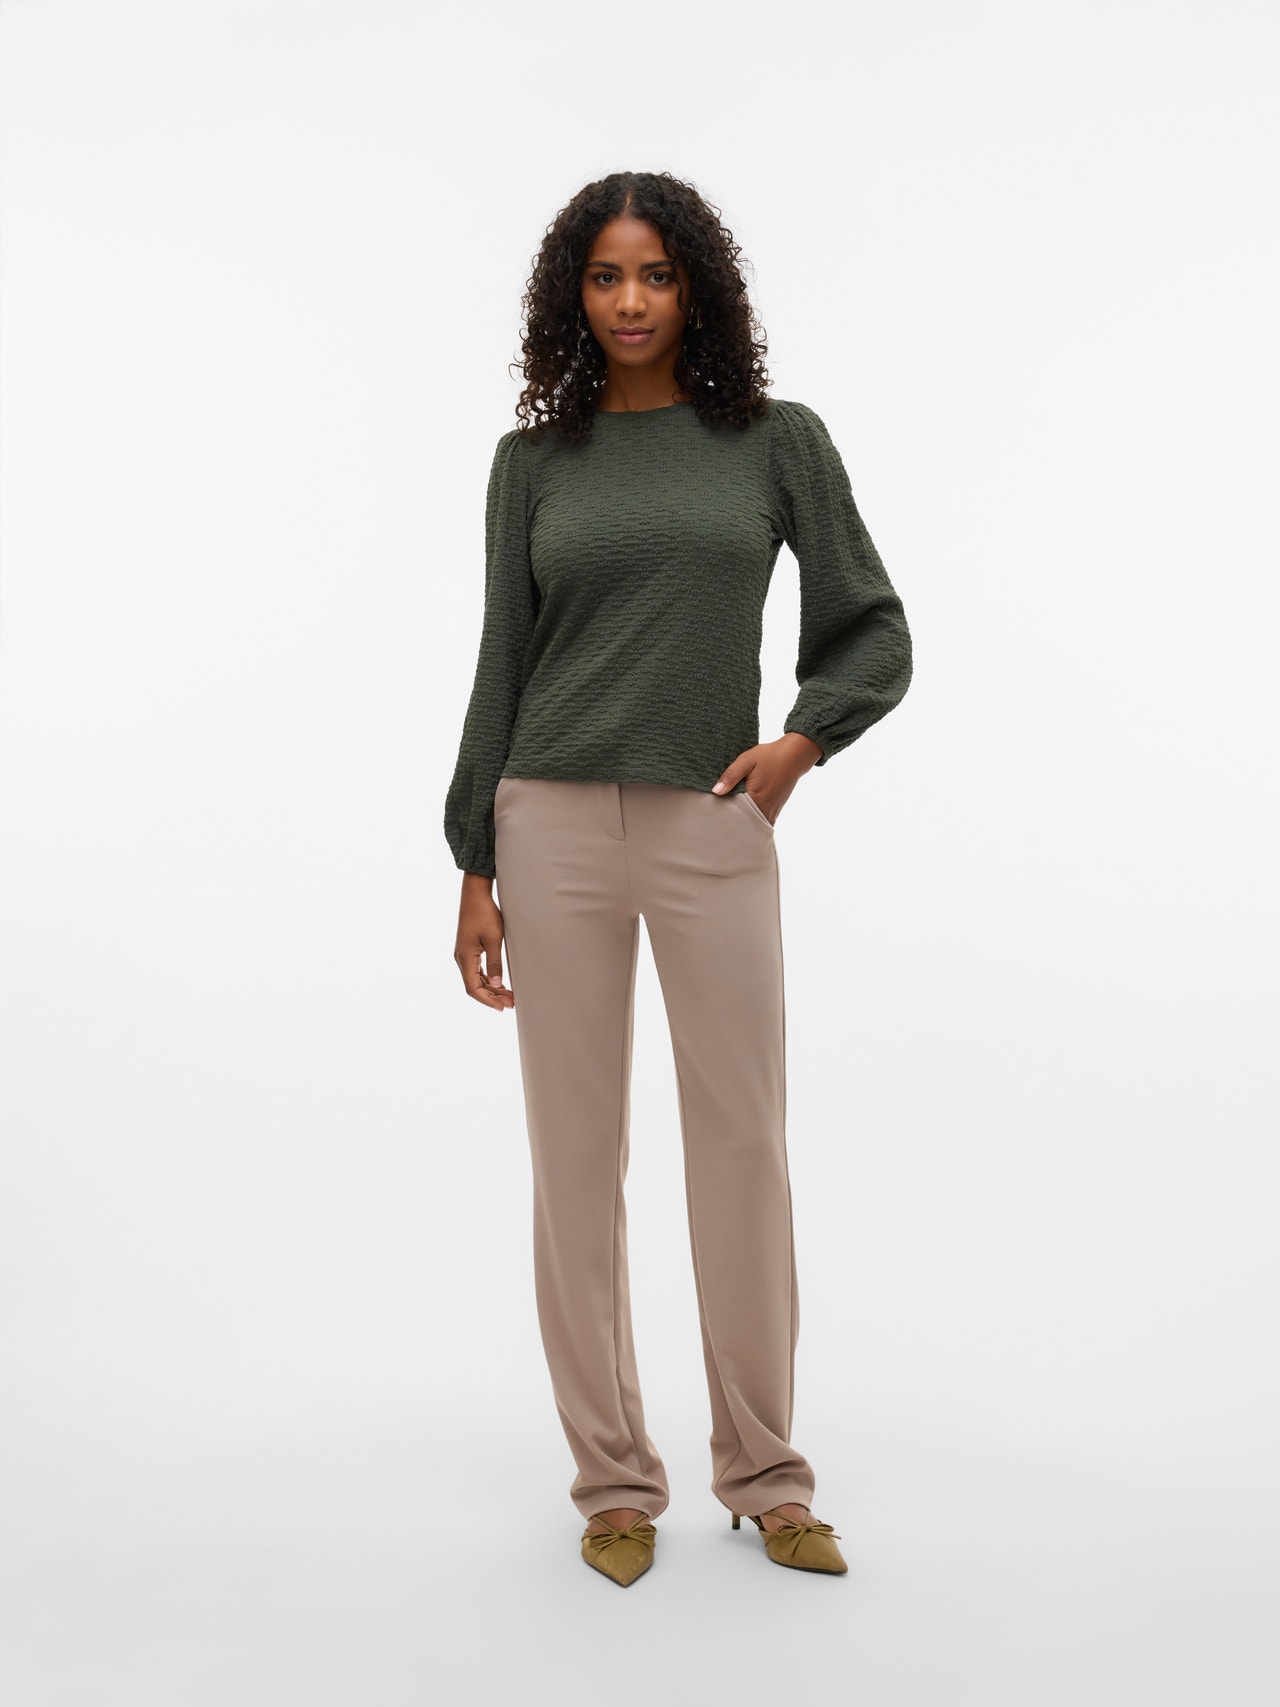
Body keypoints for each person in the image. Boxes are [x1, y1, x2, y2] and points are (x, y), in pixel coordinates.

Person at [444, 170, 913, 1586]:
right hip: (549, 821)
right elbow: (503, 659)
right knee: (575, 1159)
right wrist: (475, 859)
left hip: (713, 818)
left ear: (697, 286)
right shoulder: (534, 462)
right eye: (604, 276)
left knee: (742, 1145)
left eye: (655, 273)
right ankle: (612, 1486)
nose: (631, 300)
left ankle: (768, 1477)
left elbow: (870, 623)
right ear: (571, 296)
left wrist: (802, 744)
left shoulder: (774, 442)